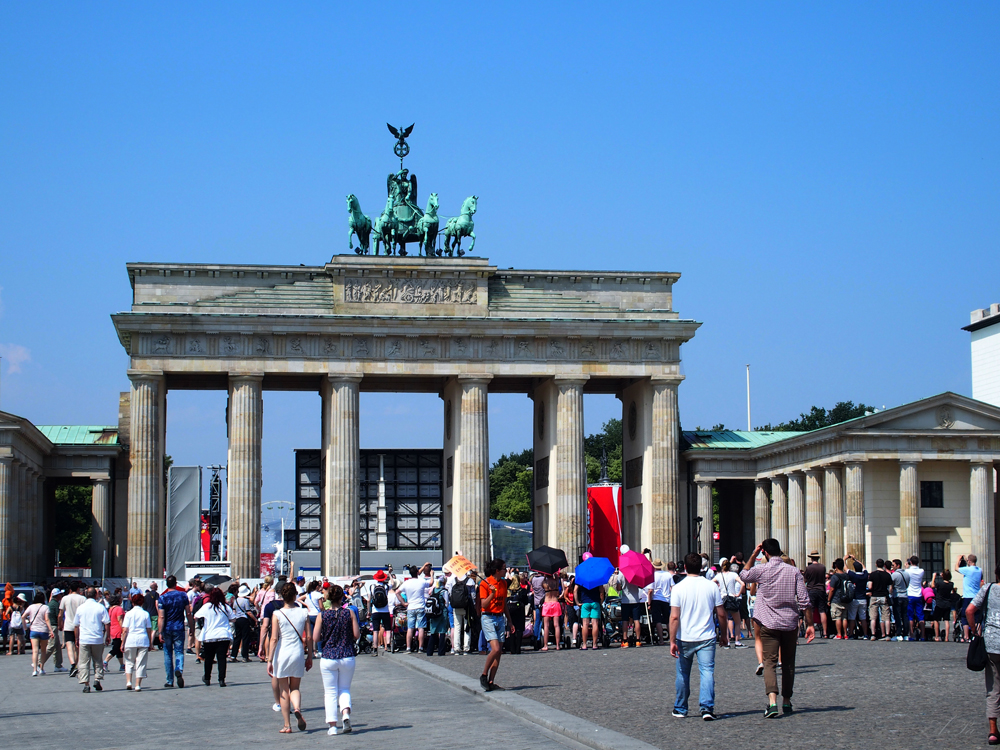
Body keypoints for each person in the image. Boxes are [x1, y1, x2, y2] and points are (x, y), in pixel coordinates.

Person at [740, 539, 814, 718]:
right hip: (789, 623)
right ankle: (787, 701)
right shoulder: (794, 571)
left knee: (769, 663)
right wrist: (810, 624)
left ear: (764, 552)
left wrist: (753, 555)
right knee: (788, 664)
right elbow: (804, 601)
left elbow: (743, 575)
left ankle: (772, 702)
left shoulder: (761, 570)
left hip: (768, 623)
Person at [670, 552, 728, 720]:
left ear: (685, 567)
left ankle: (680, 708)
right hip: (706, 636)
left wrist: (672, 640)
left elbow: (674, 617)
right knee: (707, 671)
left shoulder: (678, 588)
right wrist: (724, 635)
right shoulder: (711, 586)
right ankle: (707, 708)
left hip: (684, 636)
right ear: (701, 568)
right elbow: (721, 614)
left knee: (682, 673)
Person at [313, 585, 359, 735]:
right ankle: (345, 714)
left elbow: (315, 637)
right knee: (344, 688)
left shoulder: (322, 615)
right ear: (341, 598)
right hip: (346, 654)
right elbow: (356, 634)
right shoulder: (349, 613)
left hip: (328, 655)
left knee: (330, 692)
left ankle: (332, 726)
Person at [268, 583, 312, 733]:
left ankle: (287, 725)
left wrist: (269, 660)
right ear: (295, 596)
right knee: (295, 687)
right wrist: (310, 656)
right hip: (298, 652)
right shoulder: (304, 612)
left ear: (282, 597)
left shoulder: (277, 614)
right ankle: (297, 708)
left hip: (282, 652)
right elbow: (309, 637)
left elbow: (274, 639)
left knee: (283, 690)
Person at [966, 563, 1000, 746]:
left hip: (991, 645)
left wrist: (975, 631)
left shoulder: (988, 589)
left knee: (993, 688)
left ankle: (993, 731)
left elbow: (969, 610)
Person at [194, 586, 237, 686]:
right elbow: (234, 619)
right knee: (221, 658)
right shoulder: (225, 607)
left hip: (209, 636)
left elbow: (196, 616)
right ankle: (221, 679)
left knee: (209, 658)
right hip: (223, 635)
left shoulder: (207, 606)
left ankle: (207, 677)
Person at [157, 574, 194, 688]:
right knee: (179, 651)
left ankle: (169, 680)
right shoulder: (183, 595)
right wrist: (191, 627)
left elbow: (161, 616)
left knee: (168, 653)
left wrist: (160, 632)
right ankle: (179, 669)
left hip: (167, 628)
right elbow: (188, 613)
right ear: (176, 583)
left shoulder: (163, 597)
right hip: (179, 628)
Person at [73, 587, 110, 693]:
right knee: (97, 660)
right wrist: (107, 636)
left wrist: (76, 638)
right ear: (96, 595)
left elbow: (76, 625)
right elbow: (107, 622)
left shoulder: (80, 608)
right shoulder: (100, 607)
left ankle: (86, 684)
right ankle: (97, 679)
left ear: (85, 595)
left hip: (84, 639)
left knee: (84, 662)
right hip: (97, 639)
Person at [479, 558, 508, 692]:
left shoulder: (503, 583)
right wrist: (492, 593)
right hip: (488, 617)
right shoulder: (484, 584)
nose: (506, 571)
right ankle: (484, 675)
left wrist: (510, 621)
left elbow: (504, 604)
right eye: (504, 568)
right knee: (495, 649)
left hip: (500, 617)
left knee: (499, 652)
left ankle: (491, 681)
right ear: (497, 570)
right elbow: (483, 605)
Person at [121, 593, 152, 691]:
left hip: (131, 639)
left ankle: (128, 681)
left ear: (132, 602)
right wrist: (150, 642)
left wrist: (123, 643)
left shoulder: (128, 614)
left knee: (129, 661)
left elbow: (125, 630)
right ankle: (138, 684)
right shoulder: (145, 614)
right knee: (141, 663)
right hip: (143, 639)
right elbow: (148, 629)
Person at [715, 562, 747, 648]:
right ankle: (737, 641)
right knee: (737, 621)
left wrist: (717, 592)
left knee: (725, 621)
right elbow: (743, 584)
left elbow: (711, 583)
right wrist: (738, 594)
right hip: (732, 598)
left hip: (723, 599)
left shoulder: (719, 575)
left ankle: (727, 642)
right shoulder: (733, 574)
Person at [58, 580, 86, 676]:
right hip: (79, 626)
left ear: (70, 589)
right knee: (77, 647)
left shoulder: (65, 598)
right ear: (78, 589)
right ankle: (77, 665)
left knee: (69, 646)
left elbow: (60, 614)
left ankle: (72, 664)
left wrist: (60, 624)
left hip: (68, 625)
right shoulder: (82, 599)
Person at [610, 568, 643, 647]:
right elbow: (640, 586)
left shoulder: (621, 574)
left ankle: (625, 640)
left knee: (625, 620)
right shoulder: (636, 572)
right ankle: (638, 640)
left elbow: (618, 588)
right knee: (636, 620)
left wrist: (623, 587)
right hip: (635, 599)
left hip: (625, 600)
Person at [400, 565, 429, 653]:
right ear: (417, 573)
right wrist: (432, 574)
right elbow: (431, 583)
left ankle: (408, 647)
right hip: (420, 606)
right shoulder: (421, 582)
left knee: (410, 628)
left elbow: (397, 592)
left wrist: (403, 603)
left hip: (411, 607)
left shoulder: (406, 583)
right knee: (421, 628)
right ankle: (420, 648)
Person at [24, 592, 52, 676]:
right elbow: (47, 619)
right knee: (43, 650)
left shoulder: (31, 607)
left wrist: (25, 627)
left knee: (35, 651)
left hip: (34, 630)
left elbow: (23, 616)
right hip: (44, 630)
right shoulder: (45, 607)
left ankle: (34, 670)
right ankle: (42, 668)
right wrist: (51, 630)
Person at [959, 554, 984, 642]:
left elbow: (956, 568)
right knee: (977, 616)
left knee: (965, 616)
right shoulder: (979, 570)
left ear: (969, 561)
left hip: (967, 596)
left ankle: (966, 636)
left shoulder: (967, 570)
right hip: (977, 596)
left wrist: (958, 560)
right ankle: (978, 635)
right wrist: (967, 561)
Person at [576, 575, 605, 650]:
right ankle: (595, 644)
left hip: (585, 602)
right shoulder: (597, 576)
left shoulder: (581, 576)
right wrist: (601, 602)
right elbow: (602, 591)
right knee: (595, 623)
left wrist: (577, 602)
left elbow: (575, 590)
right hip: (595, 602)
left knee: (585, 624)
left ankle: (584, 645)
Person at [803, 551, 828, 638]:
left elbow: (804, 580)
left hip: (811, 590)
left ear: (811, 558)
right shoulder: (823, 567)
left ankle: (810, 628)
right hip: (821, 590)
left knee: (811, 610)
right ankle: (825, 632)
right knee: (822, 611)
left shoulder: (809, 568)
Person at [844, 556, 870, 640]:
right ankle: (865, 634)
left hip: (855, 598)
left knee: (852, 617)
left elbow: (845, 568)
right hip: (863, 598)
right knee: (863, 618)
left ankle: (851, 634)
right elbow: (864, 567)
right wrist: (856, 560)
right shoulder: (865, 575)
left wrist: (845, 559)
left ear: (854, 568)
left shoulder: (853, 575)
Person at [868, 559, 894, 640]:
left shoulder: (872, 574)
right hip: (884, 596)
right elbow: (890, 588)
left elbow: (870, 586)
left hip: (874, 596)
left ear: (876, 564)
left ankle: (873, 634)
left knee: (873, 617)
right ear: (883, 565)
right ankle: (887, 635)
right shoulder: (887, 575)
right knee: (886, 617)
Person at [424, 576, 450, 656]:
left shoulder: (433, 590)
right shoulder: (444, 591)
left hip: (433, 613)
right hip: (442, 613)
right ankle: (441, 651)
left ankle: (429, 651)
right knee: (442, 631)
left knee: (433, 632)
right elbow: (447, 603)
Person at [230, 583, 256, 662]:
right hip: (244, 620)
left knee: (237, 638)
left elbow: (234, 610)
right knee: (245, 638)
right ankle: (245, 656)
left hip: (237, 619)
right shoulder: (245, 601)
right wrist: (255, 620)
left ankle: (233, 655)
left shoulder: (236, 600)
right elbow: (248, 612)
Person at [369, 570, 392, 655]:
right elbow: (393, 583)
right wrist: (389, 573)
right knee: (388, 629)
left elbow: (369, 599)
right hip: (385, 610)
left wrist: (369, 611)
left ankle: (375, 648)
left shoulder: (372, 586)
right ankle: (388, 644)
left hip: (375, 610)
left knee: (375, 630)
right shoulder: (386, 586)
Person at [44, 588, 66, 672]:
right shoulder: (56, 604)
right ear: (58, 596)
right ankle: (39, 662)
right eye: (60, 594)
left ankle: (58, 665)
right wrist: (61, 625)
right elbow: (59, 616)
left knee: (57, 647)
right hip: (53, 626)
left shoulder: (51, 603)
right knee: (51, 646)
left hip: (52, 626)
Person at [827, 558, 849, 639]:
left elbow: (832, 589)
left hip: (836, 598)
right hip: (845, 598)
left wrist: (829, 599)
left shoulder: (835, 577)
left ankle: (839, 634)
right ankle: (845, 634)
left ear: (836, 566)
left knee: (838, 617)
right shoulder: (846, 576)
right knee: (844, 617)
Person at [905, 556, 926, 641]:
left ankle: (911, 634)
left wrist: (907, 567)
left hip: (910, 594)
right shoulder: (921, 571)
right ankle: (923, 635)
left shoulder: (907, 571)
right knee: (920, 616)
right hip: (918, 594)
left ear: (910, 562)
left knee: (910, 616)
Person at [931, 570, 955, 641]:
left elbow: (932, 586)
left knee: (936, 619)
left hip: (939, 603)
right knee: (946, 620)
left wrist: (933, 577)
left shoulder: (940, 583)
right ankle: (947, 637)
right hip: (947, 603)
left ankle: (937, 636)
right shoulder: (951, 584)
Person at [104, 595, 125, 672]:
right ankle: (105, 662)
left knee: (119, 649)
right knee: (115, 649)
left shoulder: (111, 609)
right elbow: (120, 620)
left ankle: (122, 665)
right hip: (118, 630)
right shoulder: (119, 609)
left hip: (113, 629)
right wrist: (123, 630)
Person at [890, 559, 909, 640]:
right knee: (905, 616)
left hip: (897, 596)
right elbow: (907, 585)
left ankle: (898, 634)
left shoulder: (894, 575)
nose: (892, 567)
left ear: (898, 565)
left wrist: (890, 594)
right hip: (905, 596)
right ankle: (905, 634)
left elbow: (891, 587)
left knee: (897, 616)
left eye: (893, 565)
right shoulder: (907, 574)